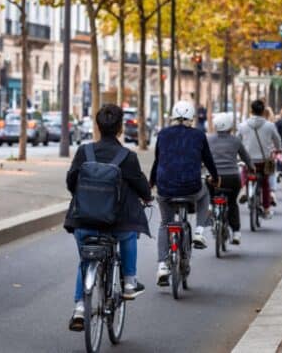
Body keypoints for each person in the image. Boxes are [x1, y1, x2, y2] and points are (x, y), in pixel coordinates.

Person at [64, 104, 152, 332]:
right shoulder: (128, 157)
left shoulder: (84, 152)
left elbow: (71, 182)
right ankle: (130, 281)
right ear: (120, 128)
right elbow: (142, 187)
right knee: (129, 235)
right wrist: (147, 197)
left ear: (97, 126)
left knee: (86, 260)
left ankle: (80, 308)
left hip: (83, 222)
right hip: (117, 225)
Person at [150, 100, 219, 286]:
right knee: (205, 194)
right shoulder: (199, 135)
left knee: (165, 223)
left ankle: (162, 266)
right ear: (192, 118)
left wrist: (151, 182)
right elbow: (208, 160)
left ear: (173, 116)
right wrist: (215, 177)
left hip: (165, 188)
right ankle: (199, 231)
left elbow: (158, 161)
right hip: (191, 187)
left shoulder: (163, 134)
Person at [207, 112, 253, 245]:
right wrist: (251, 167)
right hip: (232, 178)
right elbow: (245, 157)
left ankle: (211, 208)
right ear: (230, 126)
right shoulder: (235, 140)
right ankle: (236, 233)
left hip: (214, 178)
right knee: (232, 203)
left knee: (211, 194)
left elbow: (201, 156)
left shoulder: (208, 140)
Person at [238, 100, 282, 219]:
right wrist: (278, 149)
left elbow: (237, 141)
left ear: (251, 110)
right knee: (265, 183)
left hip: (249, 160)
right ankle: (266, 209)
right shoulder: (270, 125)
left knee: (244, 168)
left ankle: (244, 188)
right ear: (263, 111)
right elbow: (277, 140)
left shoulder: (242, 125)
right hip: (264, 161)